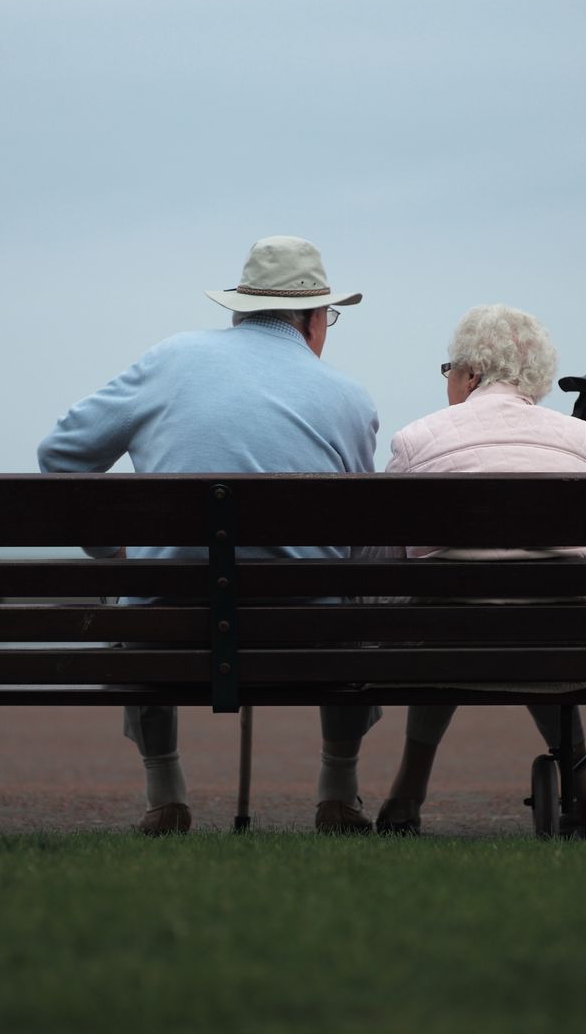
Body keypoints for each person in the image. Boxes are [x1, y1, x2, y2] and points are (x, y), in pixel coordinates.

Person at [37, 236, 382, 836]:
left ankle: (165, 792)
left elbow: (60, 456)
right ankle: (338, 791)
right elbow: (356, 535)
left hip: (170, 627)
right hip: (306, 635)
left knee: (140, 582)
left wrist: (113, 553)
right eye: (329, 316)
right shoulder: (350, 398)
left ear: (238, 309)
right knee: (351, 596)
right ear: (310, 319)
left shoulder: (171, 359)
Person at [371, 303, 586, 838]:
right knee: (538, 625)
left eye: (449, 371)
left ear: (473, 374)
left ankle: (406, 796)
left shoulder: (416, 440)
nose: (447, 383)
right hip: (563, 639)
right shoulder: (584, 442)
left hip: (446, 639)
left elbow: (388, 567)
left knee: (449, 617)